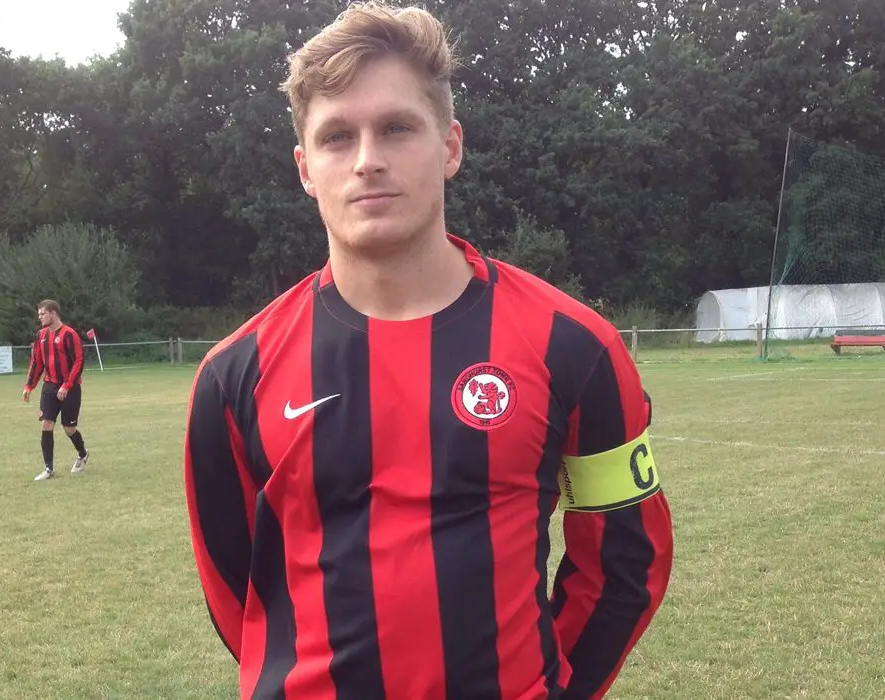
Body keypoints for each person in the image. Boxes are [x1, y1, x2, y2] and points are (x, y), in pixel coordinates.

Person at [184, 3, 674, 698]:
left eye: (396, 127)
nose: (367, 160)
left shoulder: (576, 348)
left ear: (450, 146)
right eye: (335, 137)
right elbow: (238, 592)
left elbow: (628, 563)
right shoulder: (234, 374)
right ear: (304, 168)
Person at [23, 299, 90, 481]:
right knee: (46, 424)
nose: (40, 317)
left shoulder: (69, 334)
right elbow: (36, 362)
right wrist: (29, 385)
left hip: (70, 387)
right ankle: (48, 469)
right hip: (49, 386)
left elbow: (79, 361)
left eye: (42, 313)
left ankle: (83, 454)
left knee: (69, 428)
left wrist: (67, 385)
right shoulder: (41, 336)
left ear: (53, 313)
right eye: (39, 314)